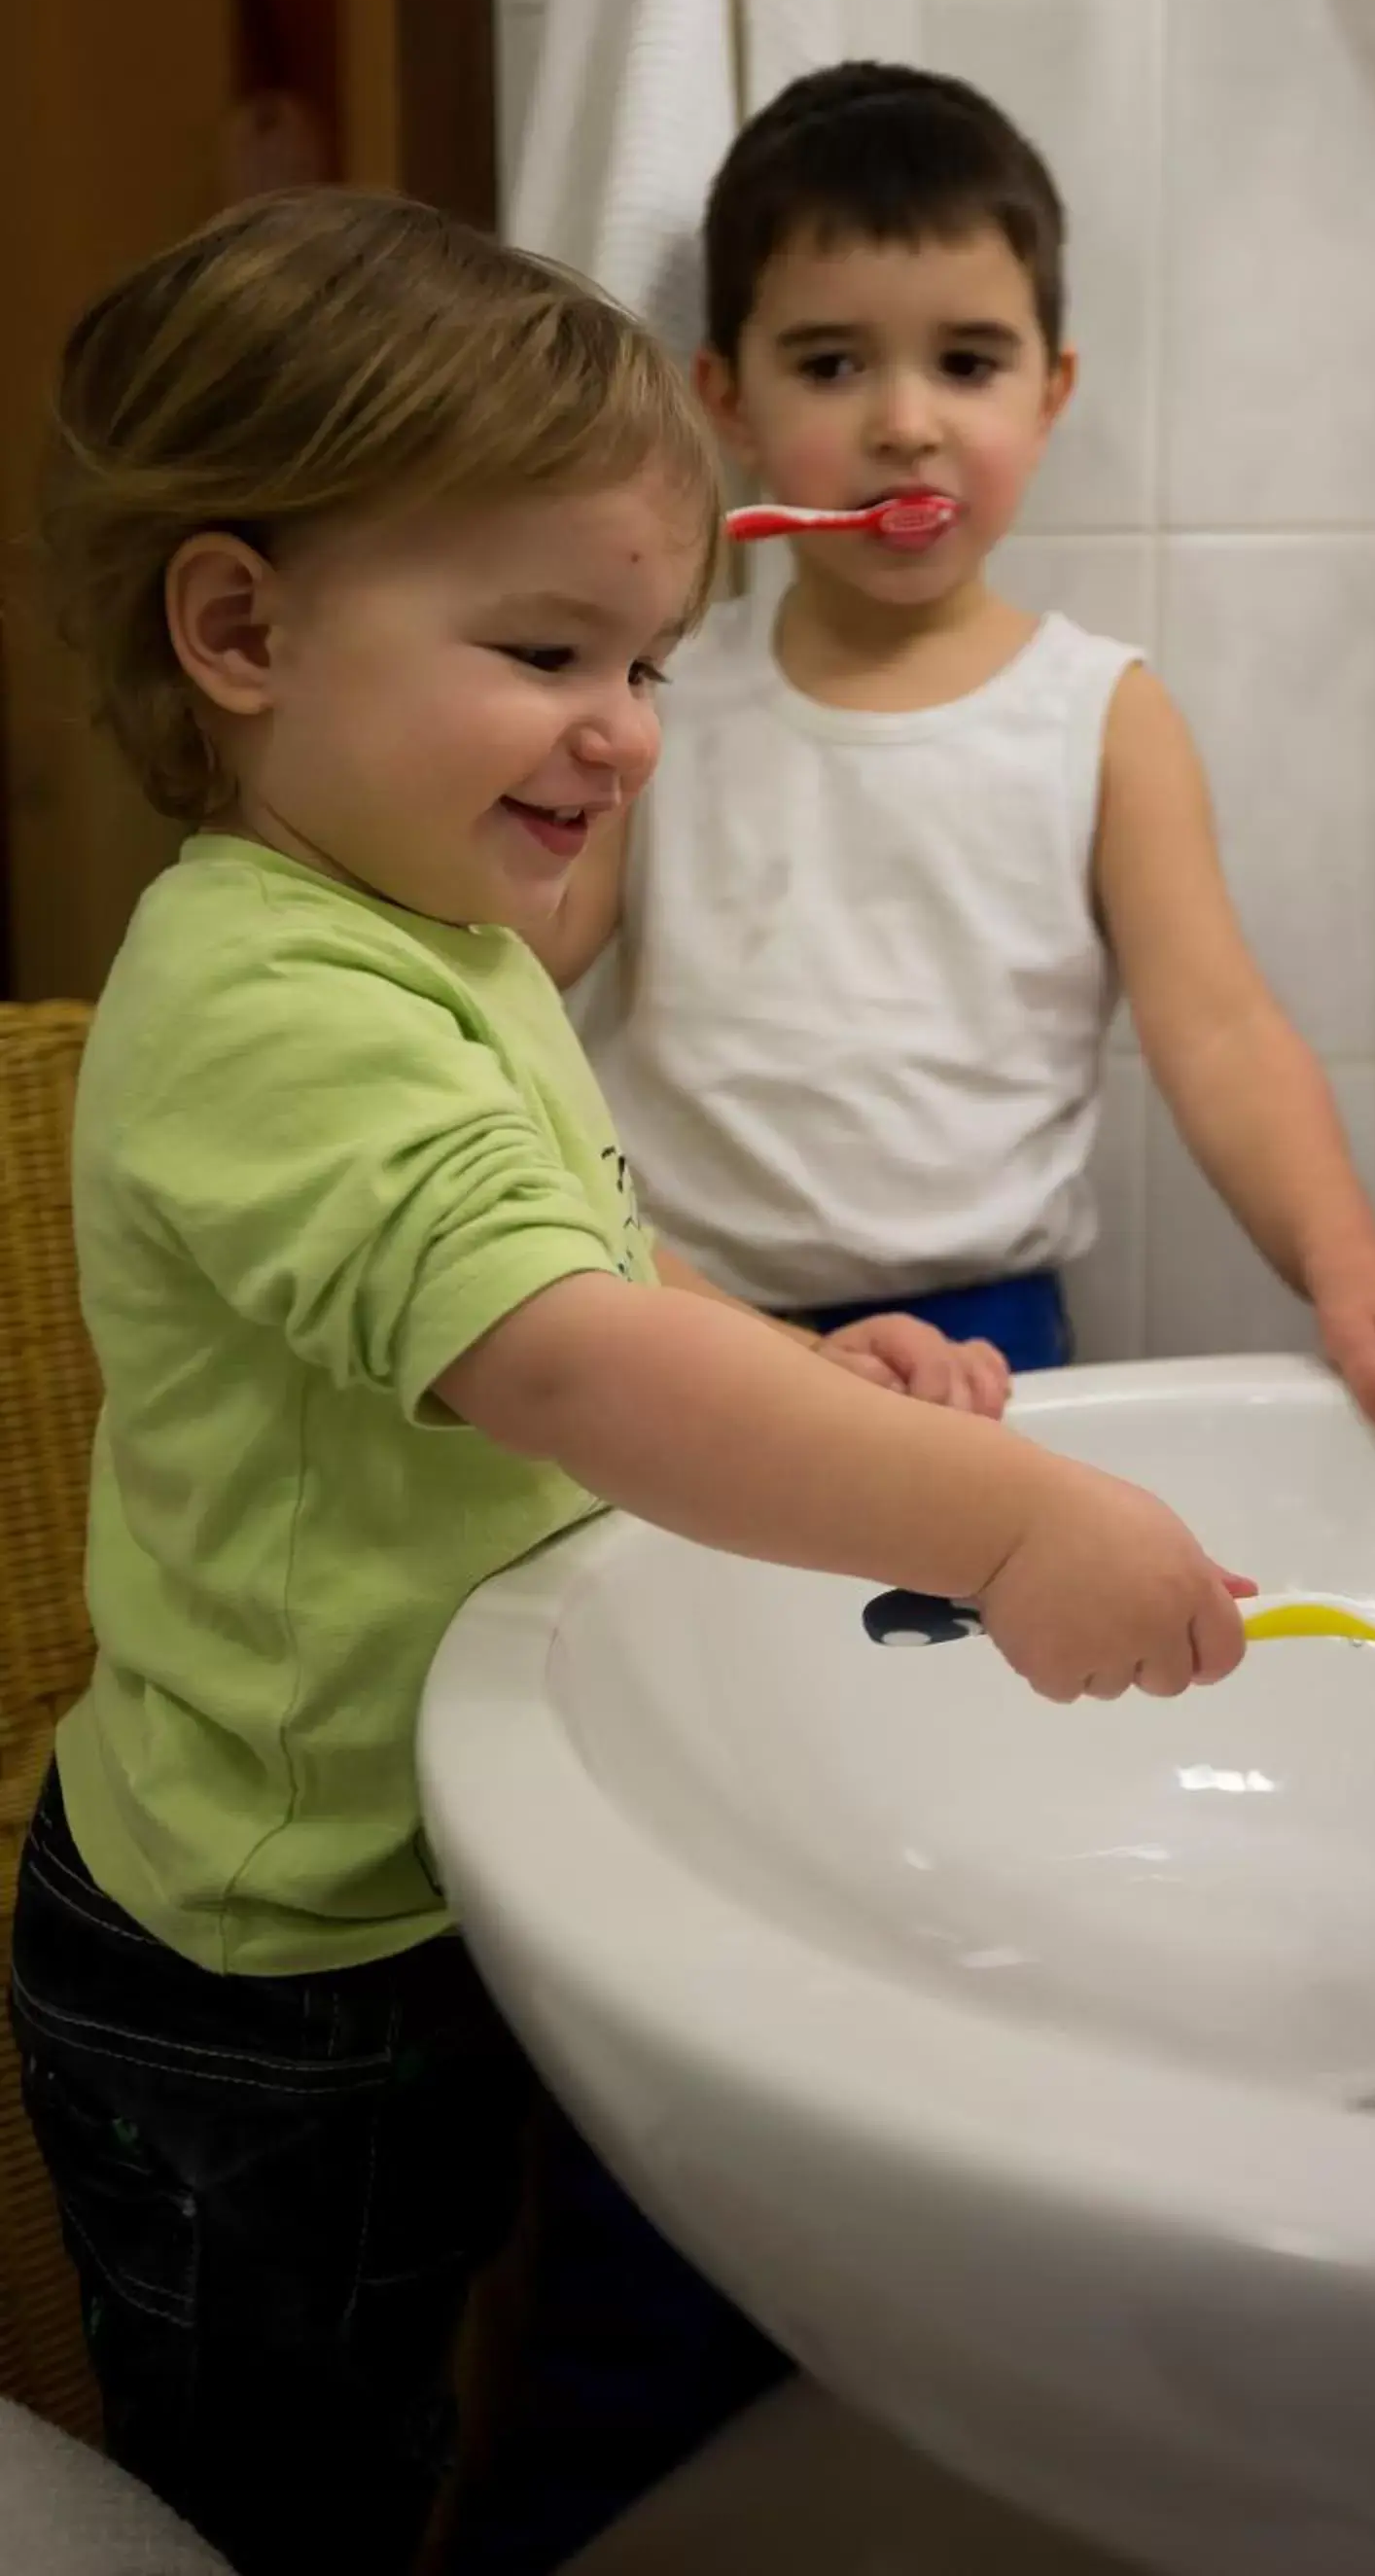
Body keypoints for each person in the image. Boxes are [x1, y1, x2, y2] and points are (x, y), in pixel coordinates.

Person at [8, 188, 1252, 2576]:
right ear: (242, 626)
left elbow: (594, 1252)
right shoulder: (269, 1005)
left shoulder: (428, 932)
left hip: (402, 1878)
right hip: (270, 1974)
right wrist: (990, 1522)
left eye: (653, 661)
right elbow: (565, 1362)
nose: (625, 732)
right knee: (291, 2489)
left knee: (411, 2391)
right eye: (547, 645)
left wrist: (790, 1351)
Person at [544, 61, 1375, 1472]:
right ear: (726, 401)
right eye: (829, 363)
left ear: (1050, 395)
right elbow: (529, 958)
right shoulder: (661, 701)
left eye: (968, 362)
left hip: (991, 1345)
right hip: (684, 1317)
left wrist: (1351, 1263)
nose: (905, 422)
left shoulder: (1098, 714)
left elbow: (1223, 1034)